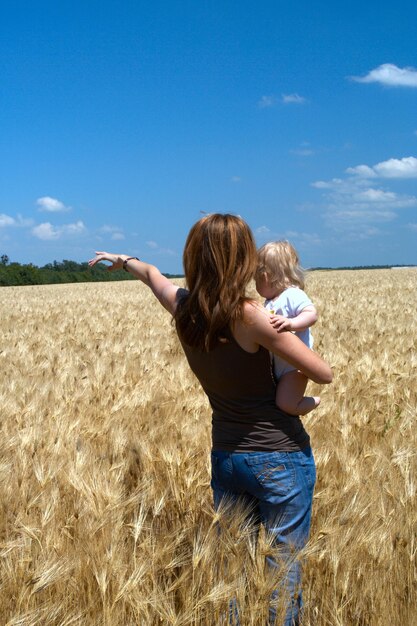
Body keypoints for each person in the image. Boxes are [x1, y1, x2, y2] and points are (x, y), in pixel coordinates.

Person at [88, 213, 332, 625]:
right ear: (242, 261)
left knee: (232, 577)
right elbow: (323, 372)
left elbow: (151, 275)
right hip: (278, 457)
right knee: (282, 579)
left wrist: (123, 260)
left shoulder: (184, 308)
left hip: (226, 459)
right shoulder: (251, 315)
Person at [256, 241, 320, 416]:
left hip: (295, 366)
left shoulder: (293, 294)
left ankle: (313, 401)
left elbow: (311, 314)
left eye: (256, 279)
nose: (255, 285)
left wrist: (292, 323)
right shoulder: (270, 302)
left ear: (266, 277)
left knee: (286, 404)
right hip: (279, 364)